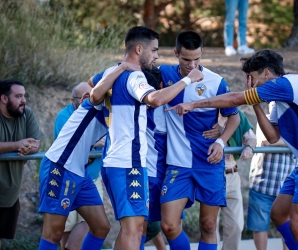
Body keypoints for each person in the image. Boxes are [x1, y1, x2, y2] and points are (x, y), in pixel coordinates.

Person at [166, 49, 298, 250]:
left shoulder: (286, 84)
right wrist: (257, 105)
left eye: (253, 77)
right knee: (278, 212)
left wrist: (194, 104)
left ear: (267, 73)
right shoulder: (279, 99)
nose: (251, 82)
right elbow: (273, 136)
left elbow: (234, 98)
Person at [92, 26, 205, 250]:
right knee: (134, 232)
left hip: (115, 161)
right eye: (154, 50)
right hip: (128, 163)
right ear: (138, 49)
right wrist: (188, 80)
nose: (156, 56)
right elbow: (154, 99)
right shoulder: (135, 76)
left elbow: (93, 93)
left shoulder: (111, 72)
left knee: (132, 230)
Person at [37, 63, 140, 250]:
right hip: (60, 167)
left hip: (80, 172)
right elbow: (97, 88)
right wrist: (122, 67)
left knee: (101, 227)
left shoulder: (114, 109)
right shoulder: (92, 103)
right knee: (53, 233)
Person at [158, 30, 240, 250]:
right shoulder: (163, 74)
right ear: (176, 53)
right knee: (168, 225)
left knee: (209, 224)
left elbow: (235, 117)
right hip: (178, 161)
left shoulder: (216, 81)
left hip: (209, 161)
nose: (192, 65)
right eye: (186, 59)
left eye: (197, 59)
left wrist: (221, 141)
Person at [54, 81, 106, 250]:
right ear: (73, 100)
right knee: (66, 226)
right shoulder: (64, 116)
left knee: (91, 222)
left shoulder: (98, 112)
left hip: (92, 177)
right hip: (68, 176)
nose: (87, 100)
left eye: (90, 96)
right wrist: (97, 142)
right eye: (83, 97)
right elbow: (73, 143)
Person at [204, 110, 256, 250]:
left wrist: (249, 147)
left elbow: (251, 137)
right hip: (211, 174)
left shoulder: (236, 114)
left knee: (236, 225)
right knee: (210, 224)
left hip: (232, 173)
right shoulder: (205, 113)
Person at [247, 107, 296, 250]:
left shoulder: (294, 121)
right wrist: (289, 142)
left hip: (286, 185)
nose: (275, 105)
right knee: (260, 226)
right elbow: (266, 141)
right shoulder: (265, 118)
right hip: (262, 183)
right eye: (273, 102)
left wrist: (288, 142)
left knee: (287, 226)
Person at [0, 79, 41, 249]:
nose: (23, 100)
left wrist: (28, 147)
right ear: (3, 98)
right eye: (18, 96)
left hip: (10, 193)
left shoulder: (26, 114)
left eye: (24, 96)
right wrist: (17, 145)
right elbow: (22, 144)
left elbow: (36, 143)